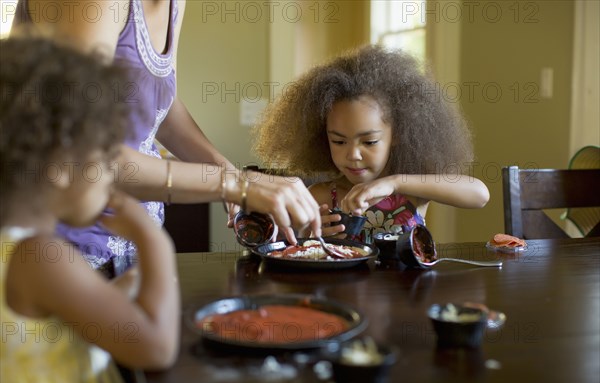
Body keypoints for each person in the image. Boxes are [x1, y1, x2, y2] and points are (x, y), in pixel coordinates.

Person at [10, 0, 321, 272]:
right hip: (64, 249)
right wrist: (235, 185)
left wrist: (230, 172)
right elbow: (82, 152)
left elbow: (159, 105)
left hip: (128, 244)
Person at [0, 37, 180, 383]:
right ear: (62, 166)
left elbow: (56, 324)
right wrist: (153, 240)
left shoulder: (21, 253)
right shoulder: (40, 258)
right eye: (106, 155)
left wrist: (118, 292)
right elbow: (157, 348)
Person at [252, 45, 490, 242]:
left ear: (397, 134)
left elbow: (479, 194)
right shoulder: (322, 195)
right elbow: (299, 246)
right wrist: (310, 236)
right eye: (339, 141)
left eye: (369, 141)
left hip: (407, 296)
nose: (353, 154)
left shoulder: (412, 190)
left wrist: (394, 183)